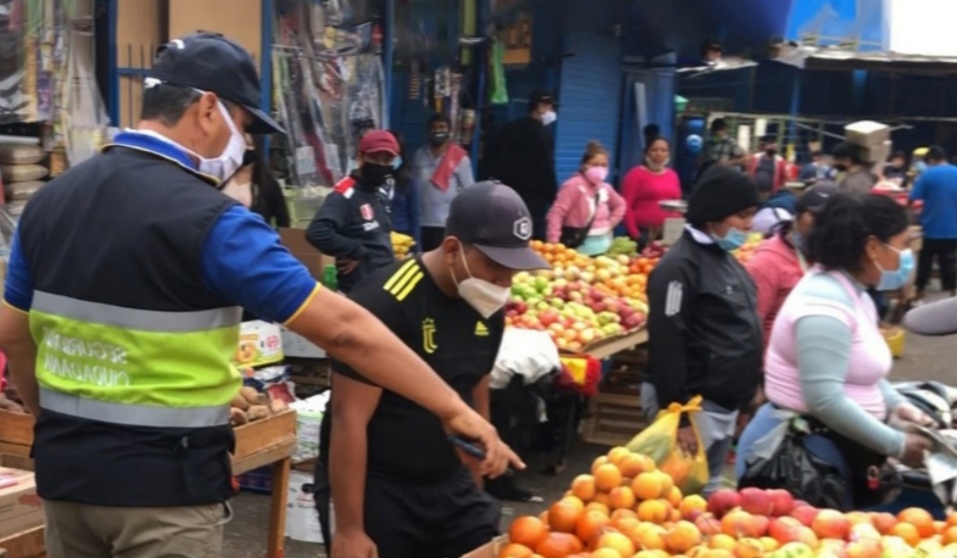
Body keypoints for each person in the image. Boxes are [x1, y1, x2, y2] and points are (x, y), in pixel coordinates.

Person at [0, 33, 519, 558]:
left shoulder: (48, 203)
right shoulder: (213, 223)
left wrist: (57, 430)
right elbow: (342, 329)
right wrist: (452, 408)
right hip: (162, 494)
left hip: (68, 482)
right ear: (207, 109)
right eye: (244, 126)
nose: (245, 145)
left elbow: (15, 335)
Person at [317, 182, 548, 558]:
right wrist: (350, 528)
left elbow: (476, 397)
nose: (503, 283)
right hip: (379, 488)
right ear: (454, 249)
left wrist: (475, 489)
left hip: (448, 483)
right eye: (493, 266)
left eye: (513, 270)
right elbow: (348, 419)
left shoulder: (485, 306)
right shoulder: (386, 302)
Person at [735, 193, 932, 508]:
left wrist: (897, 405)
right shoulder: (823, 306)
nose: (906, 256)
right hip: (800, 462)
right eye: (902, 244)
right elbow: (824, 398)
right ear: (872, 247)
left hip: (835, 450)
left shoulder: (853, 293)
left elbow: (858, 368)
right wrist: (897, 444)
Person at [643, 165, 763, 495]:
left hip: (724, 405)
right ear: (714, 217)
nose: (749, 225)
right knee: (674, 496)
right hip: (694, 407)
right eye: (742, 216)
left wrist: (746, 394)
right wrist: (677, 414)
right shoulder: (679, 268)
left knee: (707, 494)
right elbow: (668, 342)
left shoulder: (727, 260)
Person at [746, 183, 837, 349]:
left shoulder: (832, 260)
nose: (823, 224)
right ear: (798, 215)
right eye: (815, 216)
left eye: (832, 218)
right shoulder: (767, 262)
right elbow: (748, 329)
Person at [306, 130, 398, 294]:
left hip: (383, 288)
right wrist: (355, 250)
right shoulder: (345, 194)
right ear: (360, 157)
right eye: (375, 159)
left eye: (387, 160)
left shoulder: (380, 194)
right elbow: (317, 231)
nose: (381, 165)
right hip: (358, 291)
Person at [486, 89, 558, 240]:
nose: (552, 112)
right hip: (531, 203)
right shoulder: (543, 135)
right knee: (529, 242)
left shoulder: (508, 129)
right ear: (540, 107)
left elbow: (492, 160)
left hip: (503, 197)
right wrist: (553, 197)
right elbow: (546, 170)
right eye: (550, 107)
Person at [545, 141, 625, 255]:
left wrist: (611, 223)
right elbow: (557, 213)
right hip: (577, 249)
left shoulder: (605, 187)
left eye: (604, 165)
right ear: (584, 165)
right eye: (595, 164)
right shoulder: (573, 185)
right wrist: (554, 243)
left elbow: (620, 204)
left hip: (604, 249)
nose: (600, 169)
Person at [414, 114, 474, 251]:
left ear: (449, 130)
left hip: (446, 223)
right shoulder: (419, 155)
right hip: (421, 221)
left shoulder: (460, 158)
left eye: (441, 127)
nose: (437, 131)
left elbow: (469, 192)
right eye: (434, 128)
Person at [909, 146, 957, 302]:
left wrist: (910, 212)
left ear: (931, 160)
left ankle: (920, 292)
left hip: (932, 227)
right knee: (949, 260)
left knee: (925, 261)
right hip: (953, 227)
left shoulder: (928, 174)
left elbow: (914, 197)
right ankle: (953, 293)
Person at [621, 137, 682, 244]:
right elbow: (625, 206)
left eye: (663, 150)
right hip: (642, 234)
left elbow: (677, 207)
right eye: (654, 150)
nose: (658, 154)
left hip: (668, 234)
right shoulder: (635, 174)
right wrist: (636, 235)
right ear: (647, 153)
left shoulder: (673, 175)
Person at [220, 136, 290, 228]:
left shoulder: (268, 184)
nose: (245, 148)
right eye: (241, 143)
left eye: (248, 144)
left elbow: (283, 221)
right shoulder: (221, 177)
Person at [388, 129, 422, 249]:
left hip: (402, 237)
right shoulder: (374, 179)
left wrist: (417, 248)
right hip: (379, 236)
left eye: (396, 153)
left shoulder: (408, 180)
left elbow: (414, 214)